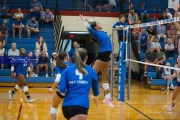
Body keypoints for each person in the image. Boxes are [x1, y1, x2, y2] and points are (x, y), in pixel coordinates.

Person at [80, 14, 114, 107]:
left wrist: (110, 49)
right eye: (98, 23)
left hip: (107, 55)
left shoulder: (103, 33)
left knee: (105, 79)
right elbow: (89, 28)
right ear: (95, 27)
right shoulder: (96, 33)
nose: (100, 24)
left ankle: (107, 97)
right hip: (103, 55)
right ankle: (80, 90)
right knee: (90, 74)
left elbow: (106, 43)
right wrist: (84, 20)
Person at [58, 48, 100, 120]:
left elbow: (62, 89)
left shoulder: (67, 70)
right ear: (86, 57)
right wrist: (95, 97)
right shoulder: (91, 71)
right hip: (81, 107)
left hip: (66, 107)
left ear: (74, 57)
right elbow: (96, 91)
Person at [48, 51, 72, 120]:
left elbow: (58, 78)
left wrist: (52, 88)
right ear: (66, 57)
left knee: (54, 107)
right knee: (70, 108)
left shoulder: (59, 66)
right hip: (71, 89)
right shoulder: (71, 65)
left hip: (63, 89)